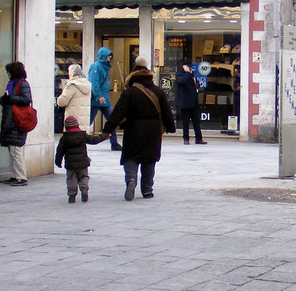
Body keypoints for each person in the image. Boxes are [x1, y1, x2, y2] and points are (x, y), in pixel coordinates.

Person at [103, 56, 176, 201]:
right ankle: (147, 190)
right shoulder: (158, 91)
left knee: (131, 157)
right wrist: (170, 127)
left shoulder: (129, 92)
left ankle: (131, 179)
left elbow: (118, 112)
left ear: (132, 77)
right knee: (149, 160)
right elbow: (167, 111)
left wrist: (108, 129)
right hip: (153, 130)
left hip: (133, 129)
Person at [54, 115, 108, 203]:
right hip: (83, 162)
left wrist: (58, 162)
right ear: (77, 125)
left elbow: (59, 151)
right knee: (83, 177)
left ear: (66, 127)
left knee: (71, 179)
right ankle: (84, 190)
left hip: (70, 164)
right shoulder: (82, 135)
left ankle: (72, 195)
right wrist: (104, 135)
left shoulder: (64, 138)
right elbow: (94, 140)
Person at [0, 61, 32, 187]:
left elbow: (27, 99)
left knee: (15, 149)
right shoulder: (11, 84)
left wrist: (10, 99)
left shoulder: (22, 83)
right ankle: (15, 175)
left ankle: (21, 177)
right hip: (10, 119)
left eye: (9, 72)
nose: (7, 74)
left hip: (17, 120)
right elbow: (8, 99)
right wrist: (4, 100)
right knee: (12, 150)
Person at [88, 46, 122, 150]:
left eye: (110, 56)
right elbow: (94, 83)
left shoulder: (105, 68)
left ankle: (114, 143)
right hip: (97, 100)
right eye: (108, 55)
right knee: (88, 121)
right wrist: (99, 96)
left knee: (112, 120)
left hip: (105, 99)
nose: (110, 57)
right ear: (103, 56)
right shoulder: (96, 67)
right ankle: (79, 139)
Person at [175, 62, 207, 144]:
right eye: (189, 67)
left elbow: (194, 84)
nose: (190, 68)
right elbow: (182, 81)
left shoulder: (191, 74)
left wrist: (197, 85)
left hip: (193, 102)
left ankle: (198, 138)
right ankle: (186, 139)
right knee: (185, 122)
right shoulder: (180, 74)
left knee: (196, 122)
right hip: (185, 102)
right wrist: (187, 73)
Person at [56, 63, 92, 131]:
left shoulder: (71, 85)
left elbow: (62, 102)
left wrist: (59, 98)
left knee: (72, 137)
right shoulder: (87, 85)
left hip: (72, 123)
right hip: (84, 123)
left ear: (71, 72)